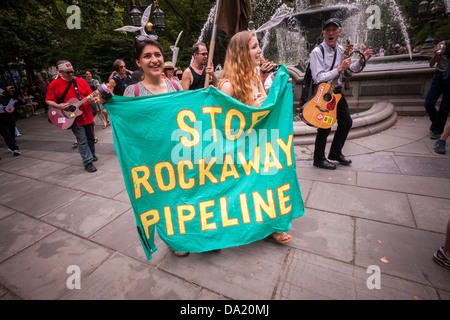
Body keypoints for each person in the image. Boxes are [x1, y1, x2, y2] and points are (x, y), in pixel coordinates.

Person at [218, 30, 292, 244]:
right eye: (254, 47)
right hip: (240, 149)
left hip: (261, 145)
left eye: (258, 46)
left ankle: (271, 225)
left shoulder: (254, 77)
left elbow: (264, 108)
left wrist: (278, 92)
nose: (260, 50)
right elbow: (222, 125)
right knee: (249, 189)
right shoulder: (227, 86)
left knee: (269, 183)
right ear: (241, 53)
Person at [123, 35, 184, 256]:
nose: (154, 60)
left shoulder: (176, 86)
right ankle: (173, 240)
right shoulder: (133, 92)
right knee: (163, 202)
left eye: (157, 54)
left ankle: (188, 232)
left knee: (182, 198)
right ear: (138, 63)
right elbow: (129, 129)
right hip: (152, 161)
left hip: (179, 155)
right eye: (147, 56)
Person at [310, 18, 373, 170]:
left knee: (346, 122)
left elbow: (348, 72)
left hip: (337, 93)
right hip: (323, 93)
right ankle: (318, 159)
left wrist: (362, 60)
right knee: (324, 126)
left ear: (339, 32)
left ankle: (335, 153)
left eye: (334, 30)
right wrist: (338, 69)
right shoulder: (317, 52)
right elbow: (318, 77)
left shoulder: (341, 51)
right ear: (324, 33)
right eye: (328, 30)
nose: (331, 33)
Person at [46, 60, 98, 173]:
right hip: (73, 117)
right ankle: (88, 162)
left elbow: (93, 97)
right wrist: (58, 106)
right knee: (82, 140)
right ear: (60, 72)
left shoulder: (80, 81)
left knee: (90, 138)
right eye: (67, 72)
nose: (71, 74)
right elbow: (48, 100)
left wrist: (92, 100)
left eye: (72, 72)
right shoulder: (54, 84)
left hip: (87, 114)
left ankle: (92, 154)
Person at [425, 40, 450, 140]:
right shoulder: (443, 44)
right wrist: (436, 55)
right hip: (439, 77)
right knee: (429, 103)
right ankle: (436, 121)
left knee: (444, 107)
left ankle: (437, 130)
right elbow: (431, 64)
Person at [0, 91, 21, 156]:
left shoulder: (3, 97)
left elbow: (11, 104)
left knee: (11, 133)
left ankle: (11, 145)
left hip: (9, 118)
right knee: (6, 134)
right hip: (0, 121)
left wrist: (12, 108)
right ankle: (14, 149)